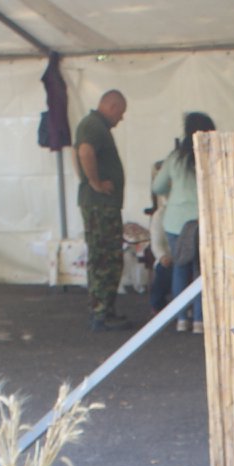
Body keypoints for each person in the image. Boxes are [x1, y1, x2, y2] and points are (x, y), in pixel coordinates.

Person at [151, 112, 213, 334]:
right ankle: (199, 320)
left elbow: (158, 186)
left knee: (180, 268)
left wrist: (174, 188)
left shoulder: (175, 157)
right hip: (203, 220)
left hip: (176, 222)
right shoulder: (212, 155)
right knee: (201, 270)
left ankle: (180, 319)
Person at [74, 90, 130, 331]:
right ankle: (100, 312)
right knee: (105, 258)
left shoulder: (94, 126)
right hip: (100, 205)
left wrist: (87, 180)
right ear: (112, 107)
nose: (121, 118)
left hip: (102, 204)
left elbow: (77, 154)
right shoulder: (93, 126)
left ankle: (104, 310)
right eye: (121, 113)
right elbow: (84, 152)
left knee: (107, 257)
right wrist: (94, 183)